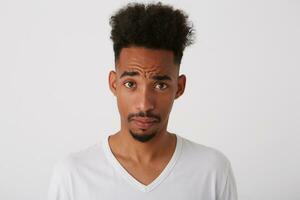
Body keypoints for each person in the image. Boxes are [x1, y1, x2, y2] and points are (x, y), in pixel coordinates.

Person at [48, 2, 238, 200]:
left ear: (179, 87)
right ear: (114, 84)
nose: (144, 104)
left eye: (160, 85)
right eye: (131, 84)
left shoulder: (212, 171)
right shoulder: (73, 175)